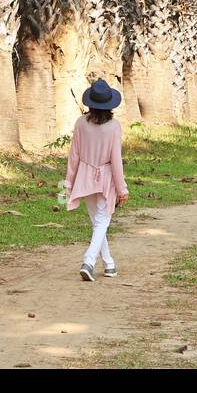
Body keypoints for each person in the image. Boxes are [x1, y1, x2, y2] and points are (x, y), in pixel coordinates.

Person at [65, 79, 129, 281]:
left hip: (84, 176)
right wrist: (122, 188)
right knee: (102, 222)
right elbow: (116, 160)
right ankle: (89, 260)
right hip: (106, 179)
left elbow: (74, 155)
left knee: (98, 222)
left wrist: (69, 181)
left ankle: (109, 263)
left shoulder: (80, 123)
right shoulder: (114, 127)